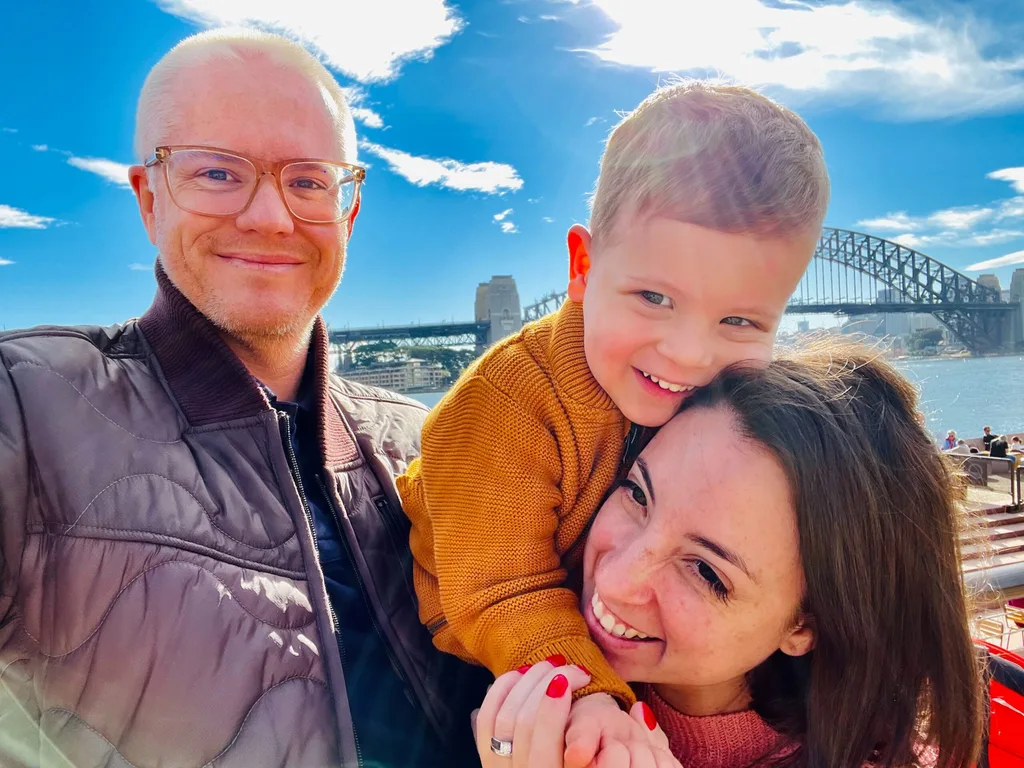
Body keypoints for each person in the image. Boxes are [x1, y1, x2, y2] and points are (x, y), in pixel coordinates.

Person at [0, 29, 486, 767]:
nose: (270, 216)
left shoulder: (431, 442)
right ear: (149, 198)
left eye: (309, 180)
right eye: (219, 173)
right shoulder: (23, 406)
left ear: (347, 214)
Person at [398, 80, 830, 721]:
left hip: (606, 618)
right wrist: (597, 704)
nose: (688, 354)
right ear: (582, 266)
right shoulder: (504, 405)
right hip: (478, 641)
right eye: (654, 298)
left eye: (741, 322)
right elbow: (501, 593)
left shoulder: (689, 390)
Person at [474, 345, 984, 767]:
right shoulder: (503, 627)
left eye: (704, 570)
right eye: (637, 495)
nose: (614, 580)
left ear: (804, 626)